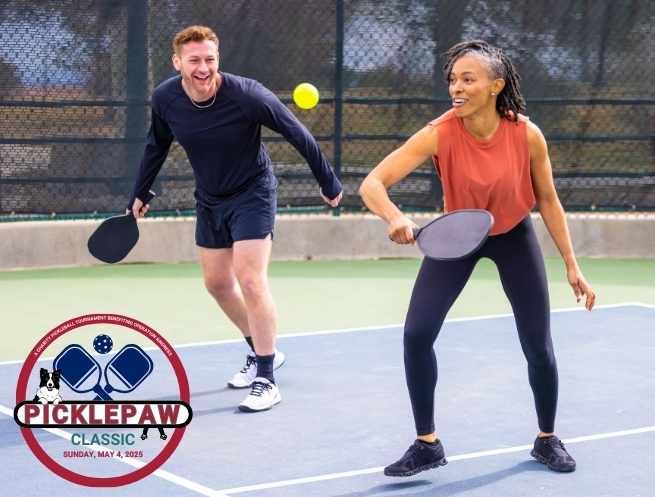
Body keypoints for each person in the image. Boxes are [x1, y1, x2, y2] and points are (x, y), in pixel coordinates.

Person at [359, 40, 595, 476]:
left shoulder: (526, 134)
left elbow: (548, 201)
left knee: (538, 345)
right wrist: (394, 216)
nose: (457, 87)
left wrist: (572, 264)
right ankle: (426, 444)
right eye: (453, 79)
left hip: (513, 235)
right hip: (459, 235)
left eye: (468, 79)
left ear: (495, 86)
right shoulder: (438, 132)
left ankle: (547, 438)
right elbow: (372, 183)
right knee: (416, 334)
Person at [129, 25, 342, 412]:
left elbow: (297, 132)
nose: (203, 67)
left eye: (209, 59)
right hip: (210, 198)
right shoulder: (166, 98)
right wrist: (140, 191)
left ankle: (266, 379)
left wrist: (327, 181)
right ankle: (263, 352)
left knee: (250, 278)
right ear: (177, 62)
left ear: (218, 60)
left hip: (253, 193)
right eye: (194, 60)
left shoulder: (247, 95)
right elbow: (156, 143)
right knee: (216, 283)